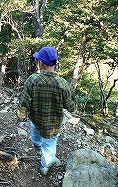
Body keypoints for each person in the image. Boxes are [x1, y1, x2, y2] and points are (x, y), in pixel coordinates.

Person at [17, 46, 76, 175]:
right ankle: (45, 166)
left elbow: (24, 103)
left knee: (36, 136)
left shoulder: (32, 80)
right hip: (52, 125)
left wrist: (21, 120)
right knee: (49, 146)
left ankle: (37, 146)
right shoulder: (62, 83)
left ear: (41, 63)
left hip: (36, 120)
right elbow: (70, 106)